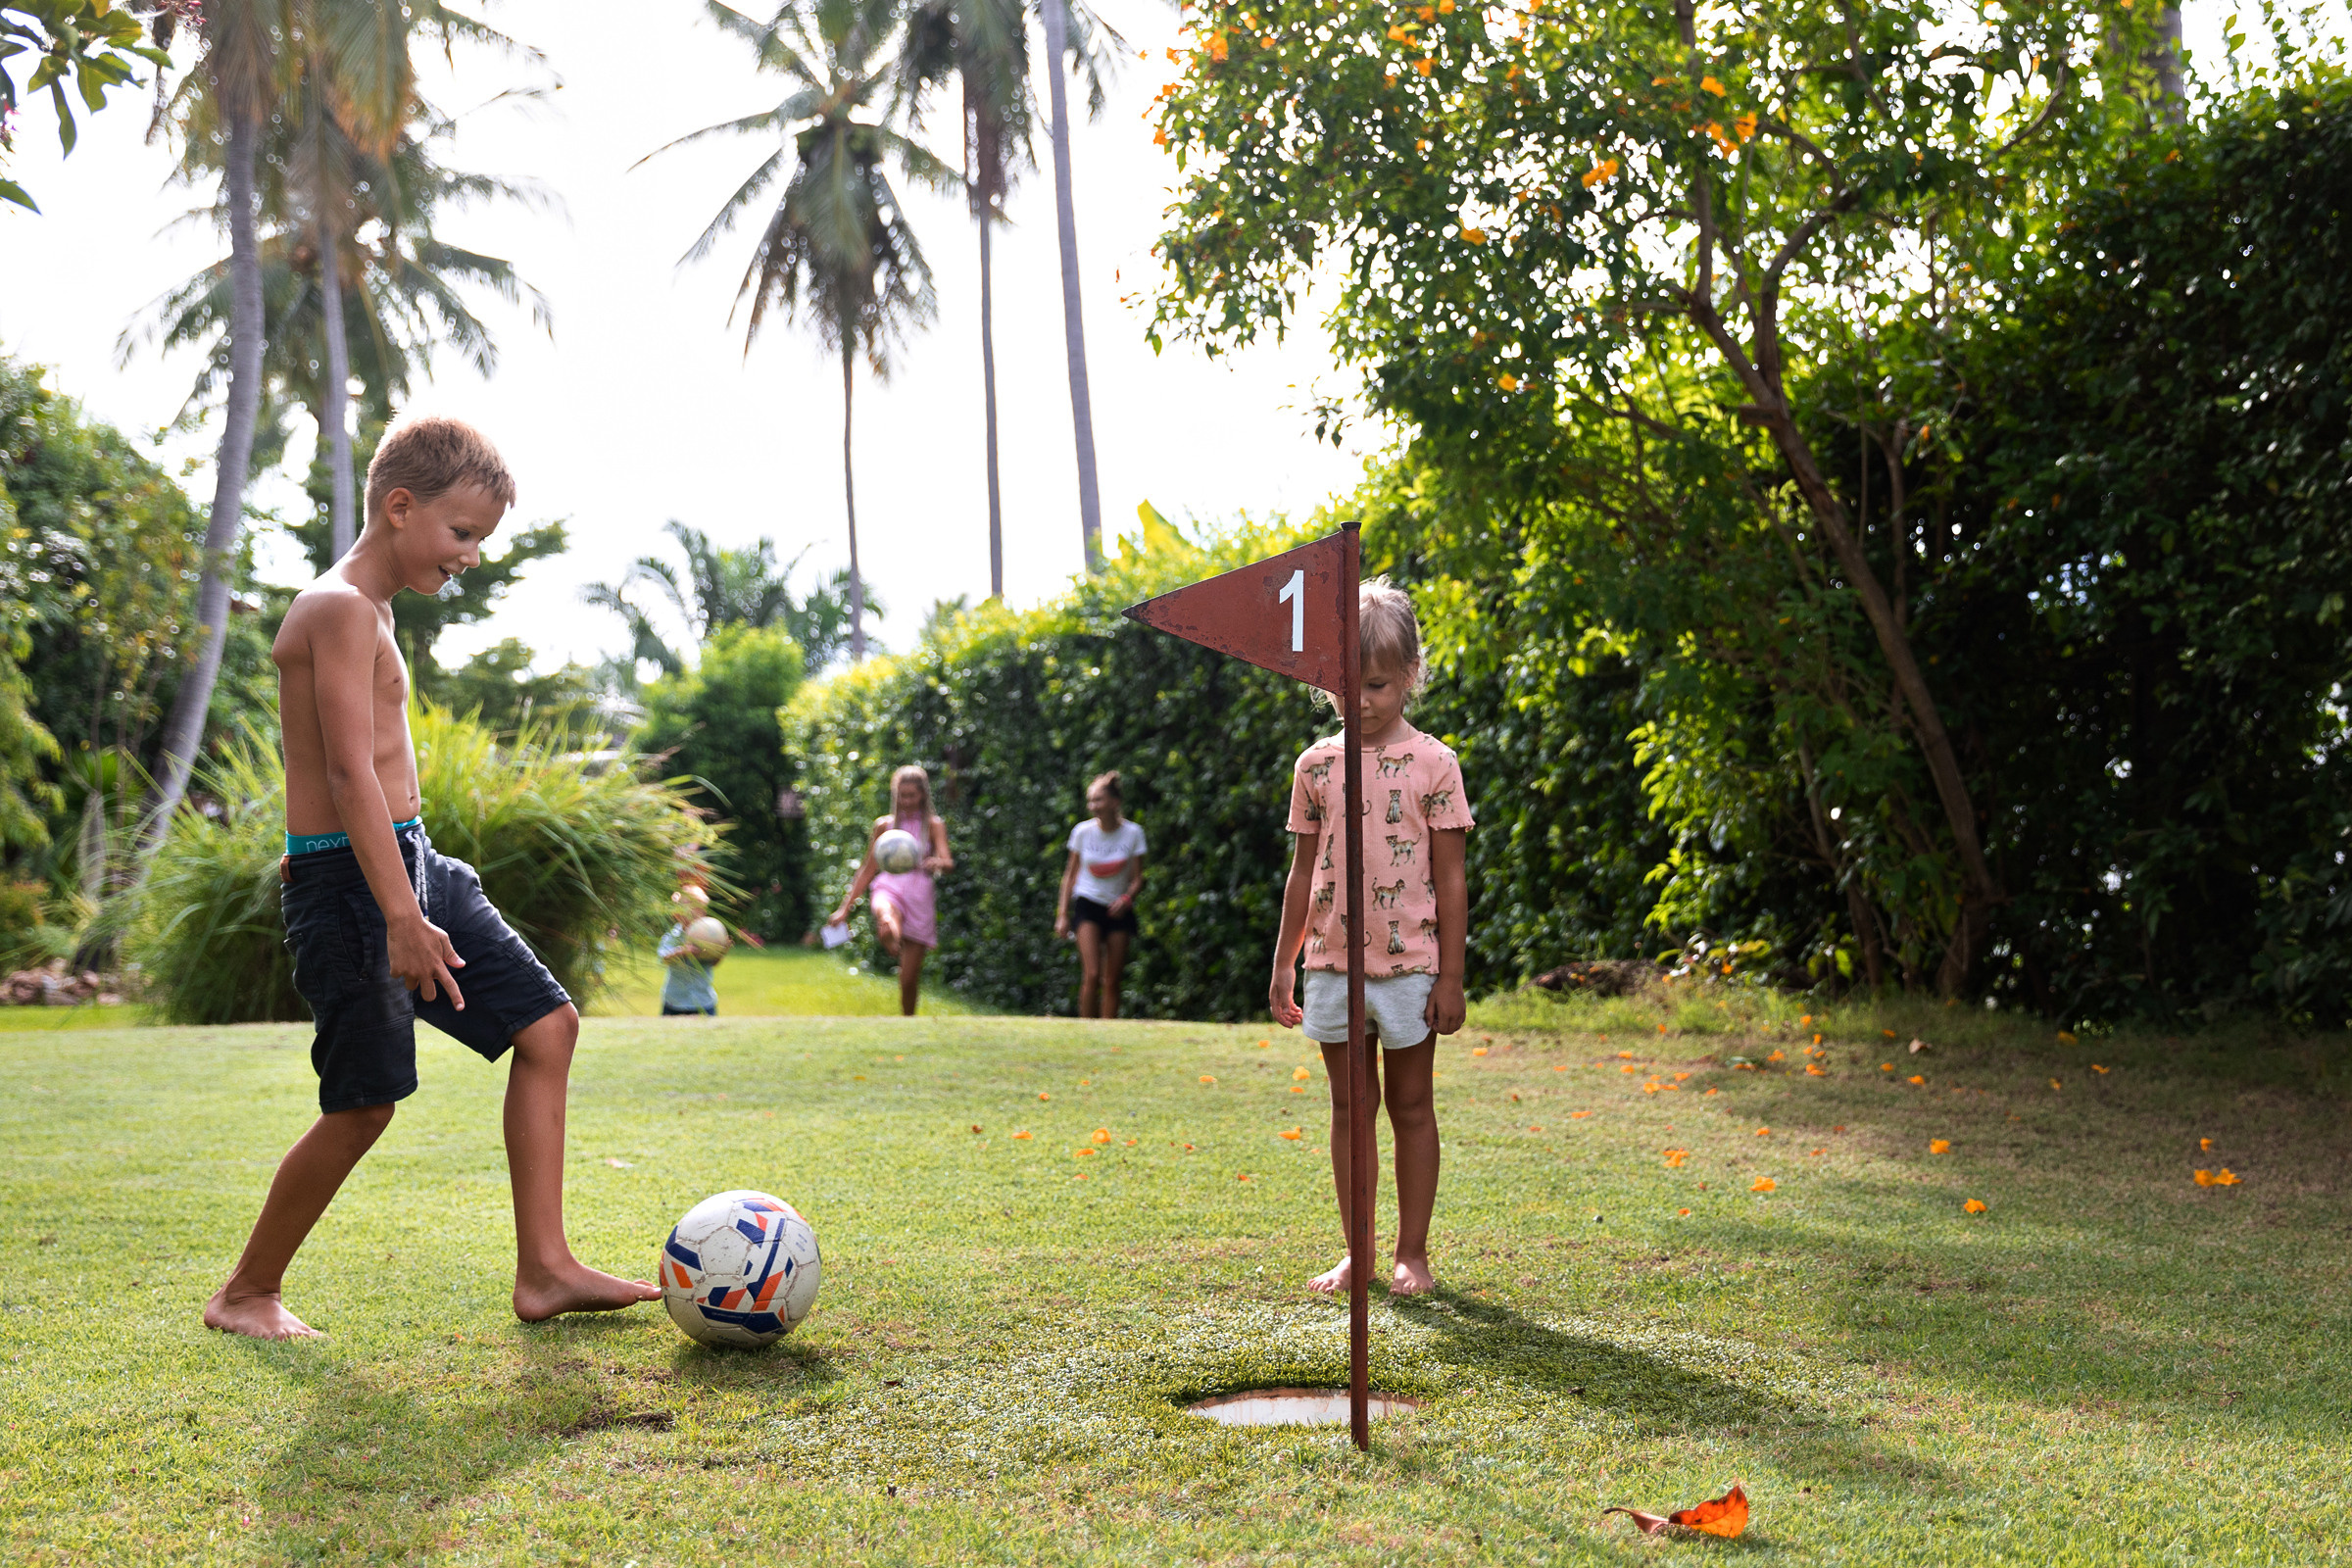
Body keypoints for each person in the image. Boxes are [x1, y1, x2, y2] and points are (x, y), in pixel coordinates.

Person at [202, 416, 660, 1341]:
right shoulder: (336, 606)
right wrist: (402, 916)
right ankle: (245, 1293)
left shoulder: (371, 608)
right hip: (352, 885)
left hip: (411, 860)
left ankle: (546, 1269)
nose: (471, 556)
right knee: (363, 1103)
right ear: (400, 506)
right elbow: (348, 775)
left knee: (548, 1027)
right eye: (462, 533)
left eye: (480, 540)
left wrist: (418, 889)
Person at [1267, 578, 1474, 1298]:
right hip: (1329, 967)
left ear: (1411, 674)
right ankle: (1359, 1251)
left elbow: (1451, 879)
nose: (1360, 700)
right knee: (1351, 1110)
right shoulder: (1315, 765)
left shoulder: (1435, 764)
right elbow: (1302, 873)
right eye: (1345, 685)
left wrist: (1452, 978)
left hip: (1413, 969)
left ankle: (1411, 1253)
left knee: (1411, 1106)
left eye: (1378, 685)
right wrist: (1285, 964)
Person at [827, 764, 953, 1016]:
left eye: (912, 795)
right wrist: (844, 909)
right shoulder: (884, 826)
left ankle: (908, 1021)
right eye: (902, 795)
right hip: (889, 885)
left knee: (909, 979)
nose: (906, 801)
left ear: (923, 795)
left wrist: (937, 863)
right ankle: (889, 930)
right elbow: (868, 869)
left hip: (919, 894)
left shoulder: (933, 825)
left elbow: (948, 862)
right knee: (886, 910)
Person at [1054, 770, 1146, 1018]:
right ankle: (1086, 1027)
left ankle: (1108, 1029)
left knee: (1112, 979)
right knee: (1092, 973)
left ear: (1115, 802)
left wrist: (1127, 899)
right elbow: (1070, 875)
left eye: (1098, 800)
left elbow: (1138, 878)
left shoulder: (1133, 833)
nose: (1093, 806)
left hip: (1118, 908)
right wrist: (1062, 914)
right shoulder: (1082, 832)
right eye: (1091, 801)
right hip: (1088, 904)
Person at [658, 885, 721, 1017]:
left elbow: (713, 963)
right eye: (691, 911)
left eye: (701, 911)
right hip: (675, 1001)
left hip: (703, 1000)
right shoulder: (673, 937)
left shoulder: (708, 936)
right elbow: (663, 958)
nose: (697, 915)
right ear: (677, 914)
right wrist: (682, 952)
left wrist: (721, 952)